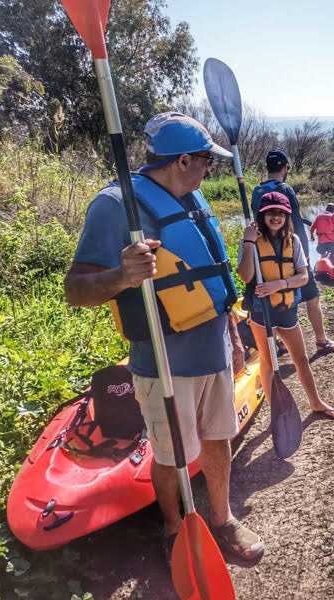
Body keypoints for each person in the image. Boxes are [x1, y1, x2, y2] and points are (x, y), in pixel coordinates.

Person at [64, 112, 264, 564]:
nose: (209, 169)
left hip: (213, 350)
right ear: (184, 160)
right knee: (171, 453)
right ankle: (174, 529)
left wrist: (232, 334)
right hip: (163, 362)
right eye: (205, 162)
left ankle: (222, 518)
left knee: (218, 440)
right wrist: (121, 275)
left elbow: (214, 285)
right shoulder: (117, 205)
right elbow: (75, 290)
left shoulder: (192, 200)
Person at [237, 191, 334, 420]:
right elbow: (245, 276)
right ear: (262, 215)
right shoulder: (251, 242)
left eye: (281, 213)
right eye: (271, 213)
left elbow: (303, 277)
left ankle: (315, 402)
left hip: (287, 311)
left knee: (301, 358)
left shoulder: (292, 241)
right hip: (261, 313)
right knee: (268, 361)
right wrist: (248, 242)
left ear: (287, 216)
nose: (276, 217)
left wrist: (278, 285)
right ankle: (277, 411)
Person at [252, 149, 334, 354]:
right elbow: (295, 223)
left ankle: (276, 343)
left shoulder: (256, 192)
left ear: (267, 168)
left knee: (272, 296)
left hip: (266, 254)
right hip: (289, 252)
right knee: (312, 296)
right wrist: (303, 254)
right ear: (285, 168)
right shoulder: (286, 190)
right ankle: (321, 340)